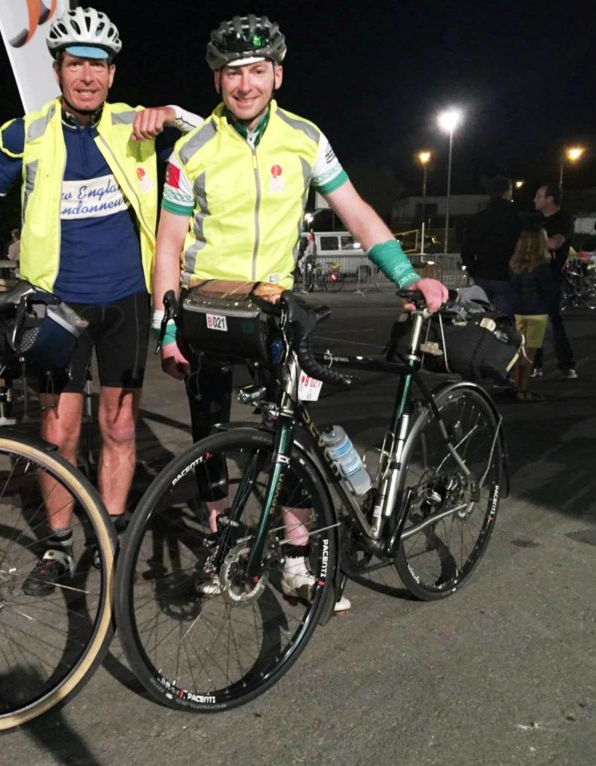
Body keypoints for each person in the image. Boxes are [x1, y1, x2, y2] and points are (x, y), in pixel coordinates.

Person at [0, 6, 200, 595]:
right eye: (76, 64)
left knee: (118, 426)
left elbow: (210, 134)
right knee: (58, 435)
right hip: (56, 307)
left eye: (99, 66)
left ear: (113, 75)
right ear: (58, 70)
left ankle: (108, 538)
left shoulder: (135, 124)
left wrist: (173, 113)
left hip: (126, 302)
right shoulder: (25, 133)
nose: (87, 76)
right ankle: (59, 548)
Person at [152, 14, 448, 609]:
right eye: (232, 73)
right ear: (217, 81)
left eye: (256, 71)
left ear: (277, 75)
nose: (244, 85)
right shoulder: (192, 149)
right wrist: (166, 326)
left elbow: (356, 211)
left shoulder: (306, 138)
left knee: (293, 432)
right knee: (209, 436)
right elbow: (168, 243)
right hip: (208, 306)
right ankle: (220, 548)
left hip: (276, 308)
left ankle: (294, 555)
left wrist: (406, 274)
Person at [532, 183, 577, 378]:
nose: (535, 199)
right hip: (533, 275)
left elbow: (555, 243)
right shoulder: (534, 219)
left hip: (551, 277)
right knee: (534, 319)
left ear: (550, 199)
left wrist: (539, 235)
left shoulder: (563, 219)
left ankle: (566, 364)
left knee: (553, 320)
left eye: (539, 196)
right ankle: (535, 363)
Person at [461, 175, 523, 317]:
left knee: (481, 317)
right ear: (508, 192)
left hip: (483, 273)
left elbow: (466, 248)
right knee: (504, 319)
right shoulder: (516, 218)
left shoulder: (478, 219)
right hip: (507, 275)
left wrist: (473, 269)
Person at [509, 225, 553, 401]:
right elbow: (547, 290)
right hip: (537, 312)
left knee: (518, 351)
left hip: (518, 311)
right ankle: (523, 388)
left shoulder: (514, 264)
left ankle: (515, 384)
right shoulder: (543, 265)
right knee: (530, 353)